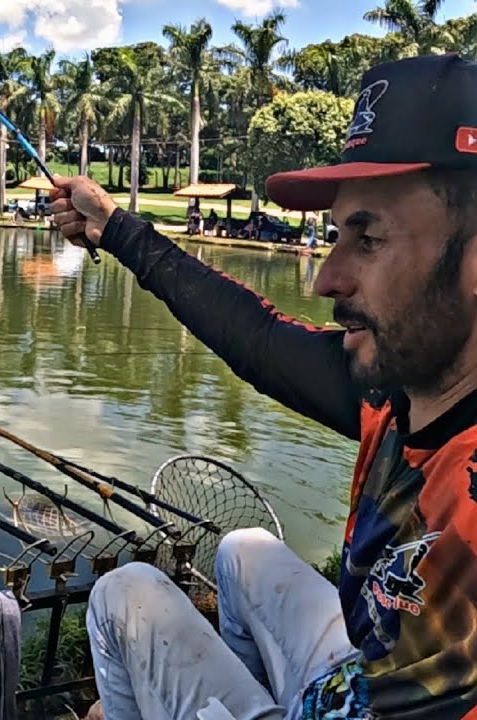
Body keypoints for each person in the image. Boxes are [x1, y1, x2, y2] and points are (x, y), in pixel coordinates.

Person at [50, 54, 476, 720]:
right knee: (243, 552)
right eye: (337, 235)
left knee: (124, 595)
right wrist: (115, 228)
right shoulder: (404, 391)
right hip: (365, 679)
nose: (324, 280)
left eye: (368, 239)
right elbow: (257, 340)